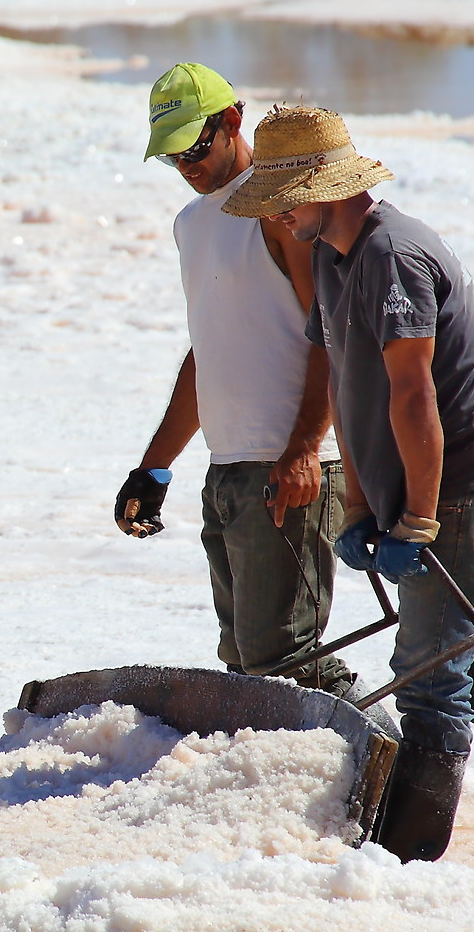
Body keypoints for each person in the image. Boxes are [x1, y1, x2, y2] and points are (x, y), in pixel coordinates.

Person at [221, 105, 474, 865]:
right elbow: (351, 386)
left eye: (286, 196)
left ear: (326, 186)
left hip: (467, 495)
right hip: (430, 497)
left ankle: (395, 875)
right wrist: (356, 505)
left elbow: (414, 394)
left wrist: (415, 521)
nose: (277, 213)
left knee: (427, 689)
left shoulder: (394, 255)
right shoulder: (330, 255)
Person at [117, 64, 352, 697]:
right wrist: (154, 469)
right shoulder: (192, 225)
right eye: (172, 157)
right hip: (227, 472)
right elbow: (208, 354)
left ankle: (397, 770)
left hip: (289, 470)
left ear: (232, 121)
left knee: (288, 667)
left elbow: (333, 334)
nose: (187, 166)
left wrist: (305, 449)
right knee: (246, 667)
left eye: (194, 147)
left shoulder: (282, 211)